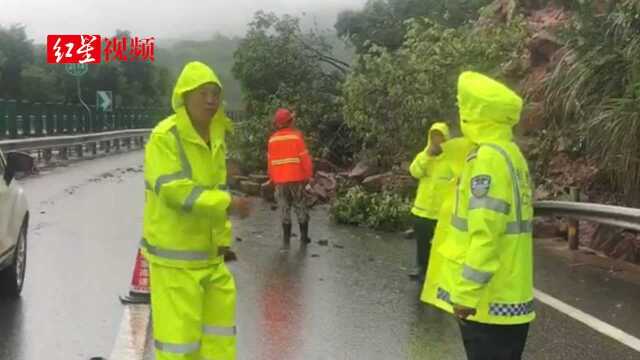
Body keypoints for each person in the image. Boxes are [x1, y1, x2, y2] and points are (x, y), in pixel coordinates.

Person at [142, 61, 251, 360]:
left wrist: (223, 242)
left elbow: (214, 187)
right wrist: (228, 204)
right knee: (180, 346)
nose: (210, 99)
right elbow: (176, 191)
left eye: (215, 93)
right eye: (203, 93)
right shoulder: (166, 136)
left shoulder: (216, 135)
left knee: (219, 341)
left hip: (211, 259)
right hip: (175, 262)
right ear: (184, 96)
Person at [427, 71, 534, 360]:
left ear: (477, 113)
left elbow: (486, 230)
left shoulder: (487, 158)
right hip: (512, 294)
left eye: (463, 108)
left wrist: (466, 294)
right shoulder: (511, 152)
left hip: (489, 299)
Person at [408, 122, 451, 283]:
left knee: (442, 244)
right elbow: (415, 172)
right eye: (434, 136)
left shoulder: (451, 160)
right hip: (423, 210)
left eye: (440, 136)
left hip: (443, 212)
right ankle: (421, 267)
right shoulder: (423, 156)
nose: (436, 140)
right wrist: (428, 155)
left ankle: (438, 272)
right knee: (422, 242)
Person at [267, 108, 314, 250]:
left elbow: (270, 163)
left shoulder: (272, 140)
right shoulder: (296, 137)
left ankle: (286, 242)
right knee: (300, 206)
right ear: (290, 122)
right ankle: (304, 238)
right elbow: (305, 159)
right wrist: (309, 177)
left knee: (284, 209)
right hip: (297, 179)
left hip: (280, 182)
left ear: (277, 124)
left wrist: (272, 179)